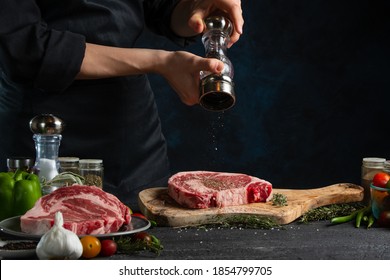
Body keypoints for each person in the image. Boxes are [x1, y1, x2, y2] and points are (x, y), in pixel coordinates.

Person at [0, 0, 244, 207]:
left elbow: (161, 8)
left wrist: (195, 6)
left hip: (132, 144)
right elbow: (26, 48)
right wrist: (160, 61)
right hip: (45, 136)